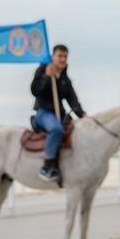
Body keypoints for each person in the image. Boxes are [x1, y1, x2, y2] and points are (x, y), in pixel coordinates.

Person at [30, 44, 86, 182]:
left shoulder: (65, 80)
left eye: (65, 56)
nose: (62, 59)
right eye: (60, 56)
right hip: (43, 113)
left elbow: (73, 101)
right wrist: (47, 77)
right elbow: (35, 91)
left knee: (78, 130)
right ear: (53, 57)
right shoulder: (42, 70)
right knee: (56, 129)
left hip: (59, 114)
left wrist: (84, 117)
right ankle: (47, 166)